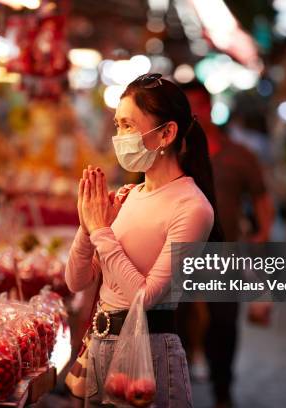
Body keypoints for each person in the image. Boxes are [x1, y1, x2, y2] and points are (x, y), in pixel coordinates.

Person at [65, 73, 223, 407]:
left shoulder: (192, 207)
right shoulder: (129, 196)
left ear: (167, 133)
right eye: (118, 125)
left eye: (129, 126)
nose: (120, 136)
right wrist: (87, 226)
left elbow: (145, 297)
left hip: (149, 354)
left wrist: (101, 232)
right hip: (102, 346)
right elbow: (77, 281)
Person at [181, 82, 274, 408]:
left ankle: (223, 390)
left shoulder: (239, 155)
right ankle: (179, 379)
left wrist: (263, 233)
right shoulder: (172, 154)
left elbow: (261, 197)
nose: (192, 115)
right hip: (178, 253)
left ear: (208, 108)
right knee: (177, 321)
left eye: (196, 107)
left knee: (223, 323)